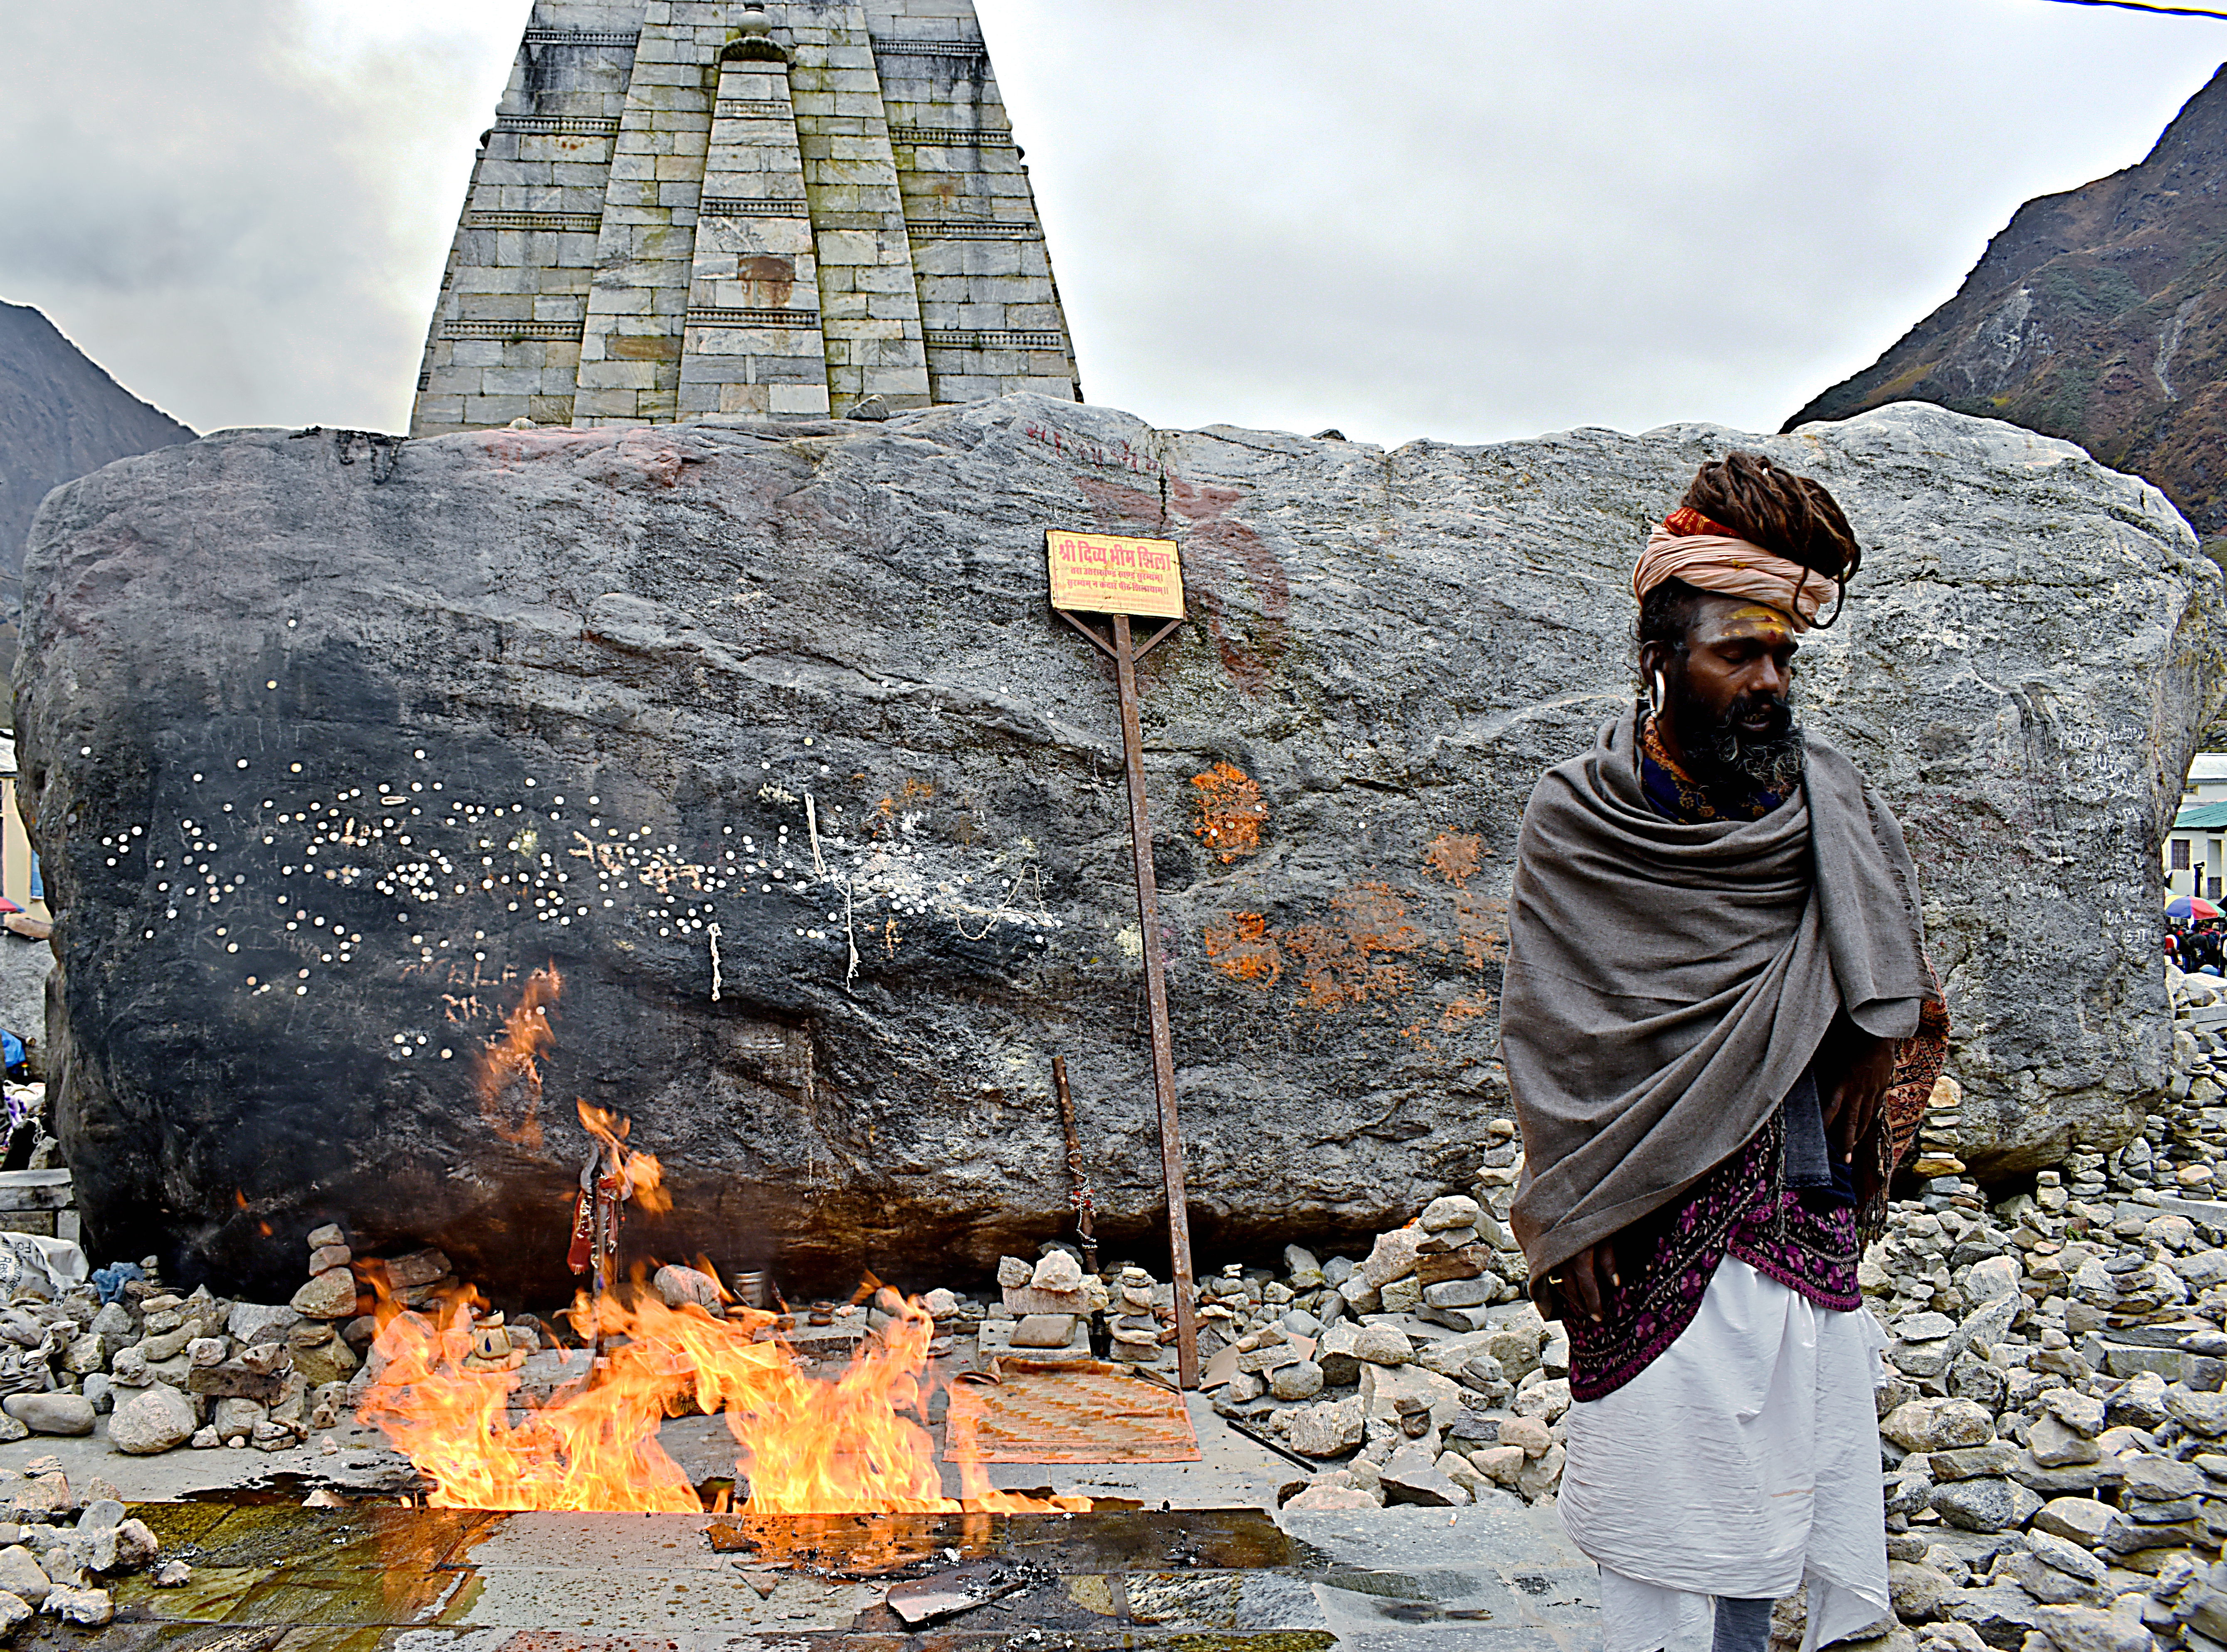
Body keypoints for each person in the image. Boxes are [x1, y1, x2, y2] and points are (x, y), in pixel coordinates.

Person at [1502, 451, 1949, 1652]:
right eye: (1735, 654)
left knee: (1779, 1480)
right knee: (1663, 1494)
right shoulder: (1578, 814)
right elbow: (1552, 1028)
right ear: (1660, 657)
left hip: (1792, 1189)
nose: (1766, 681)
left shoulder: (1829, 802)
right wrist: (1573, 1210)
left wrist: (1873, 1027)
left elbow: (1898, 984)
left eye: (1782, 657)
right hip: (1640, 1209)